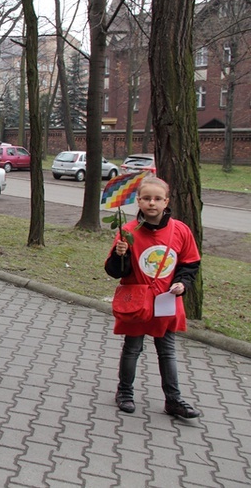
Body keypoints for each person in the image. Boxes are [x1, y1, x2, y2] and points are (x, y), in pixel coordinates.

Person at [105, 175, 202, 419]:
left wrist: (182, 283)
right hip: (138, 302)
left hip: (166, 301)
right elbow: (115, 271)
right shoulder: (127, 232)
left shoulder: (180, 230)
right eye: (147, 198)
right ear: (138, 201)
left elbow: (190, 263)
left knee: (167, 350)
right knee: (132, 348)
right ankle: (124, 392)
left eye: (157, 199)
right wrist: (120, 255)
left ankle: (173, 399)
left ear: (166, 202)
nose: (152, 203)